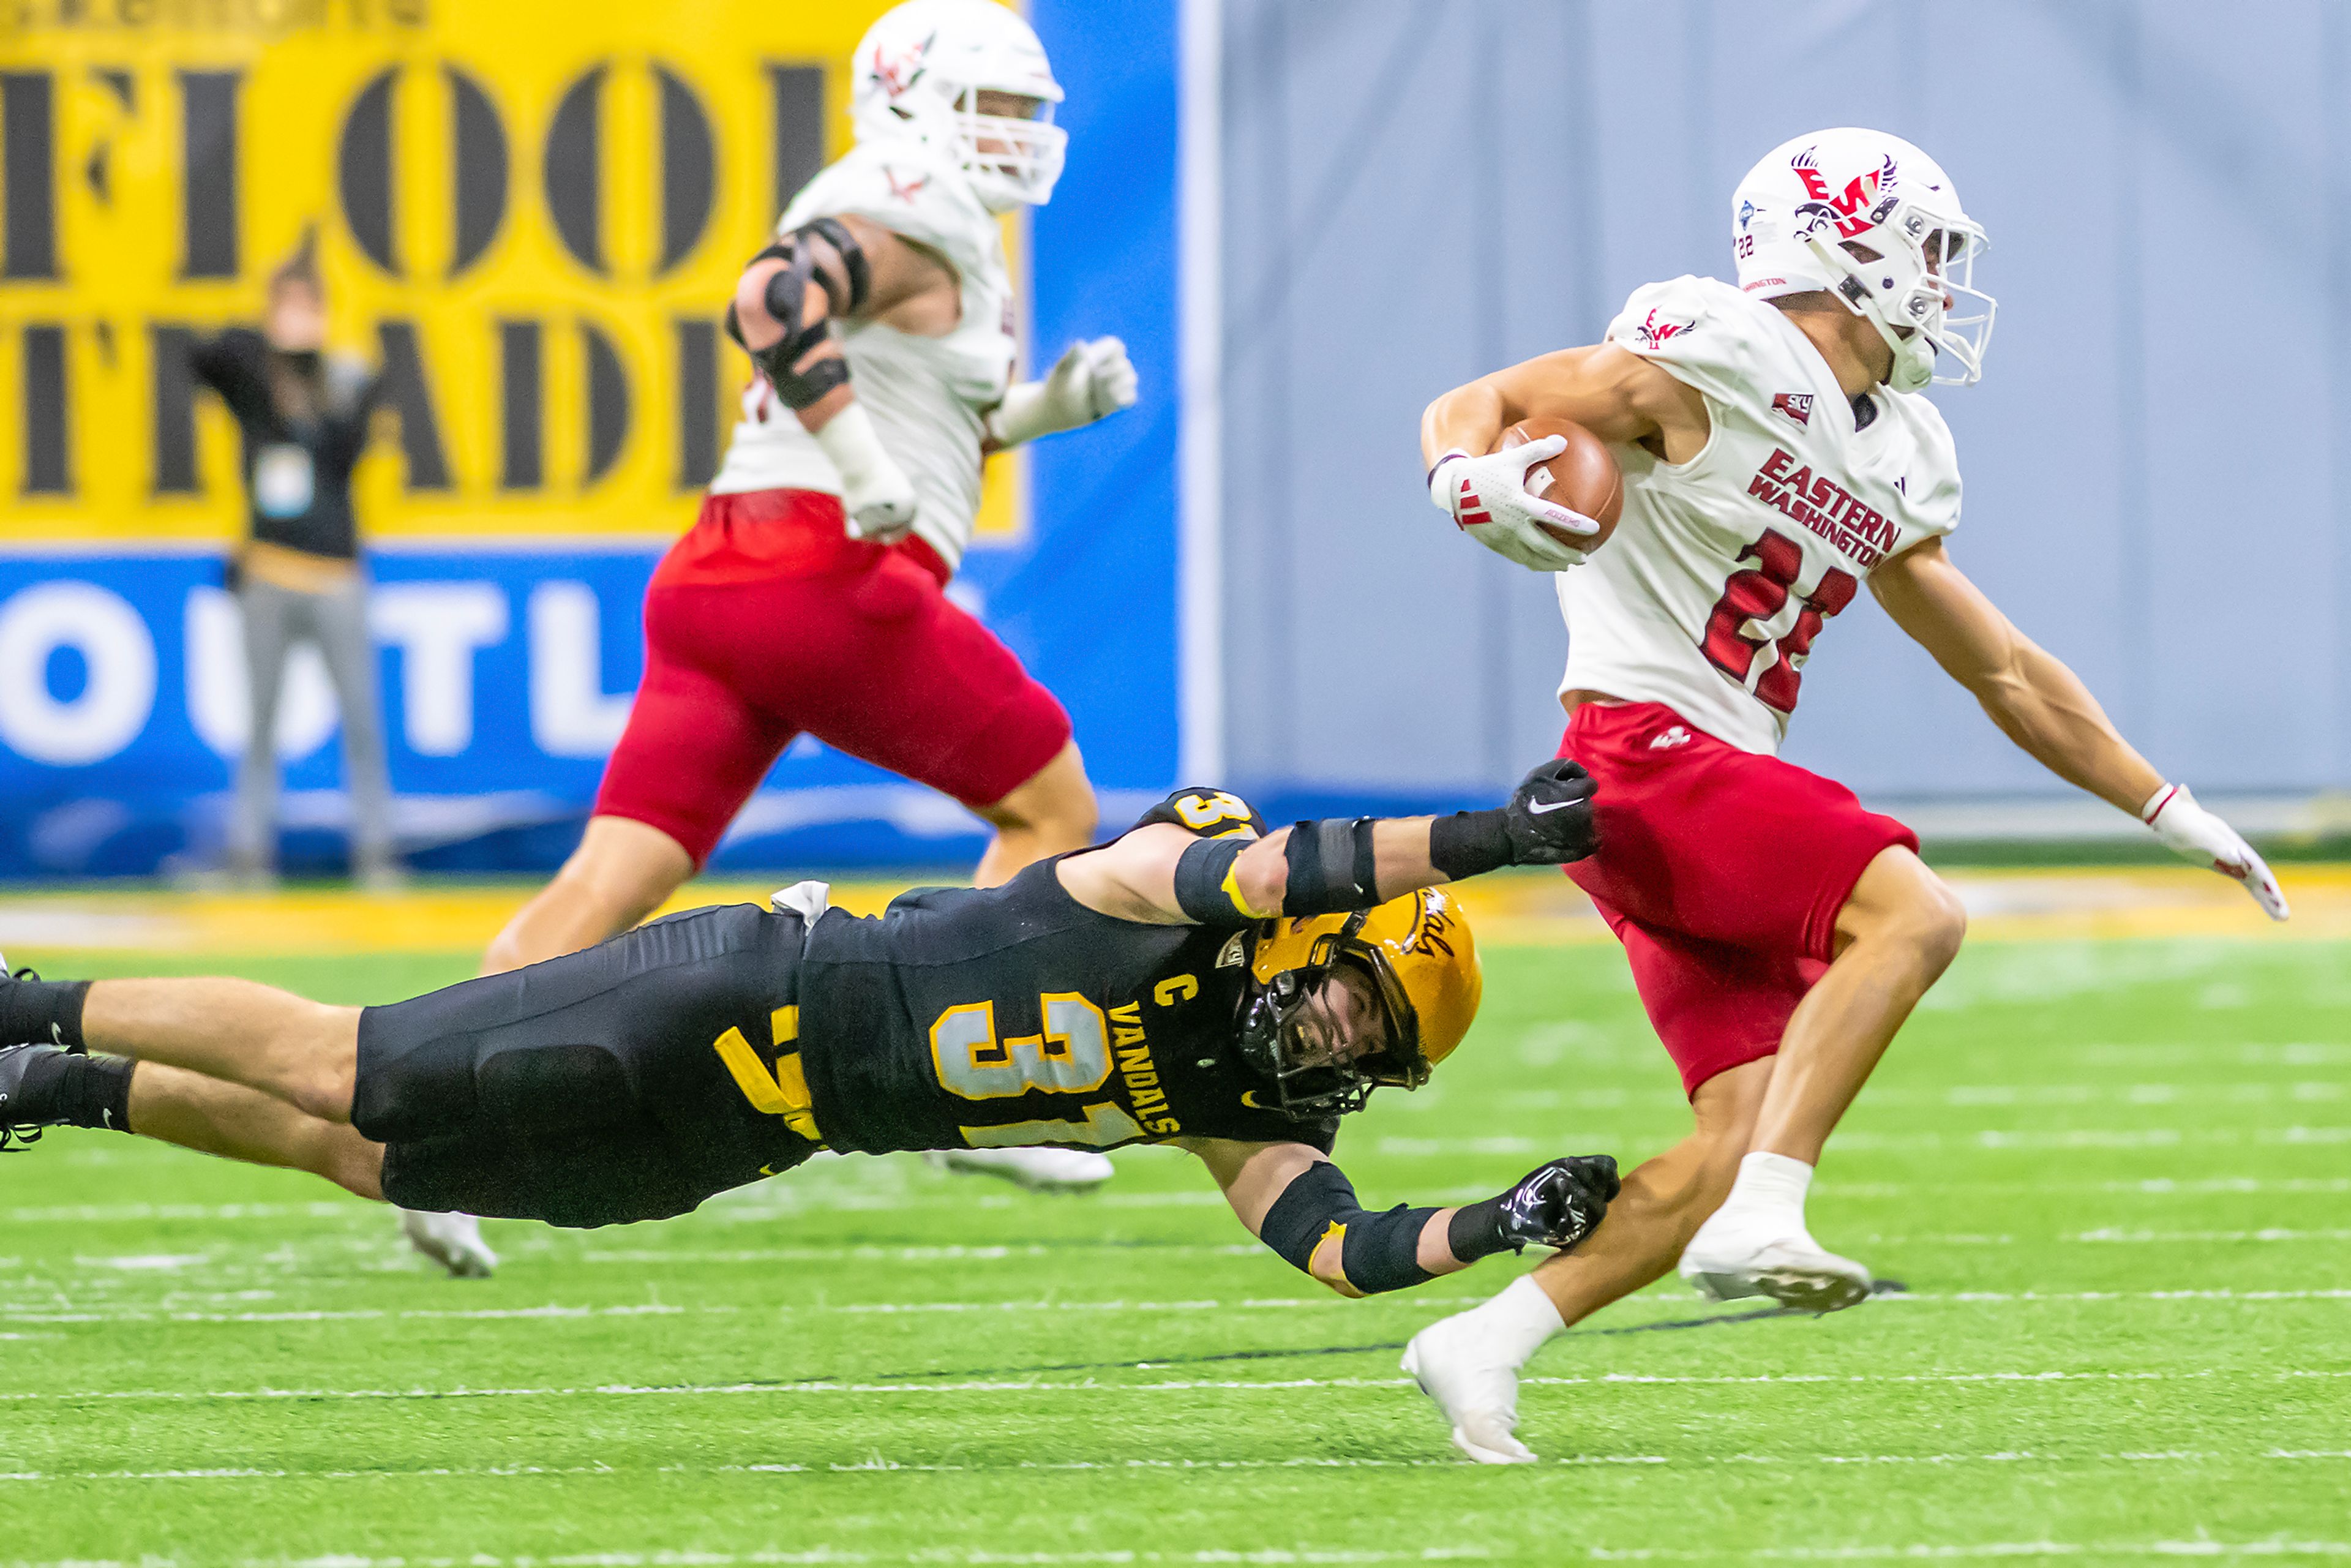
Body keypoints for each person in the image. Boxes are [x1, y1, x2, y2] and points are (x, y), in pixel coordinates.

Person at [1398, 127, 2290, 1464]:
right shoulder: (1717, 347)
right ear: (1848, 243)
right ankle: (1773, 1206)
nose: (1944, 280)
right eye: (1930, 249)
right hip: (1642, 749)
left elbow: (2001, 667)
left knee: (1726, 1137)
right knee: (1915, 913)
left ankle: (1488, 1339)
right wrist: (1462, 472)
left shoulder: (1903, 446)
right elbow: (1480, 396)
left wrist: (2169, 806)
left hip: (1677, 782)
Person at [0, 767, 1624, 1306]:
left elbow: (1330, 1247)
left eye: (1369, 1030)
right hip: (746, 986)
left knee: (381, 1153)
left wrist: (1496, 1229)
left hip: (758, 1132)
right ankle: (27, 1000)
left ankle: (59, 1087)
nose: (1336, 1018)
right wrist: (1493, 836)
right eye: (1350, 980)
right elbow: (1295, 864)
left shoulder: (1246, 1101)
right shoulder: (1171, 892)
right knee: (357, 1062)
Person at [470, 0, 1136, 1221]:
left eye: (1027, 112)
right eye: (994, 108)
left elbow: (933, 416)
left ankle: (445, 1109)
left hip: (721, 580)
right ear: (915, 102)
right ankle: (974, 1092)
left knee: (608, 879)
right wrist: (866, 471)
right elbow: (772, 297)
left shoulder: (940, 230)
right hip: (820, 574)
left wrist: (1047, 407)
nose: (1018, 135)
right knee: (1054, 806)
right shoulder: (907, 195)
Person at [189, 228, 397, 887]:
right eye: (289, 304)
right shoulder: (256, 377)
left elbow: (344, 451)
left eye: (309, 304)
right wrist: (266, 331)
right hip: (269, 571)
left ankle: (376, 854)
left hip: (335, 574)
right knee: (259, 723)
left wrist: (320, 376)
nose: (299, 317)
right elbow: (206, 357)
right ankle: (250, 855)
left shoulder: (342, 379)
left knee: (362, 720)